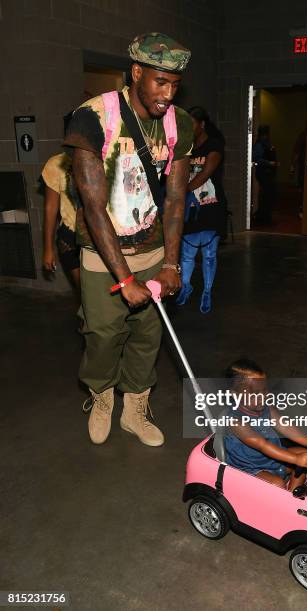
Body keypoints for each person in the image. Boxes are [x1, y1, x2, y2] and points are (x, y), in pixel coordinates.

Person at [64, 32, 193, 447]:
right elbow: (92, 206)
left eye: (175, 84)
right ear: (136, 73)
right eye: (160, 82)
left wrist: (171, 263)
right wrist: (123, 278)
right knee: (102, 336)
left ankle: (134, 408)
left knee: (147, 336)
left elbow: (175, 199)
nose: (167, 94)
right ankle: (101, 398)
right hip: (104, 258)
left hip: (153, 252)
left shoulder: (179, 124)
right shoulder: (93, 117)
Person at [224, 359, 307, 491]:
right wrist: (295, 459)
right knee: (277, 484)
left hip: (273, 458)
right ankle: (282, 500)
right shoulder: (236, 421)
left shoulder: (265, 407)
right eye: (255, 393)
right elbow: (263, 445)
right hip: (251, 467)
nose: (262, 396)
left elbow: (285, 426)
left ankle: (293, 495)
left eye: (264, 390)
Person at [176, 106, 226, 313]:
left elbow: (206, 173)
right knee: (187, 254)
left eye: (191, 124)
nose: (188, 128)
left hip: (210, 206)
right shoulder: (186, 146)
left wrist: (184, 190)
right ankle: (186, 287)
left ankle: (207, 292)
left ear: (202, 124)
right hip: (190, 207)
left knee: (209, 254)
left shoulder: (214, 145)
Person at [42, 152, 80, 294]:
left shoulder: (104, 156)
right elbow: (50, 208)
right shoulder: (56, 163)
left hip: (101, 236)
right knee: (86, 294)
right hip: (71, 238)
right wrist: (48, 248)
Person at [252, 125, 278, 225]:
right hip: (264, 172)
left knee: (268, 194)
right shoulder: (260, 145)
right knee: (266, 195)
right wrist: (269, 163)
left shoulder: (265, 143)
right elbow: (256, 158)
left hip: (268, 172)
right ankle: (262, 216)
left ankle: (264, 215)